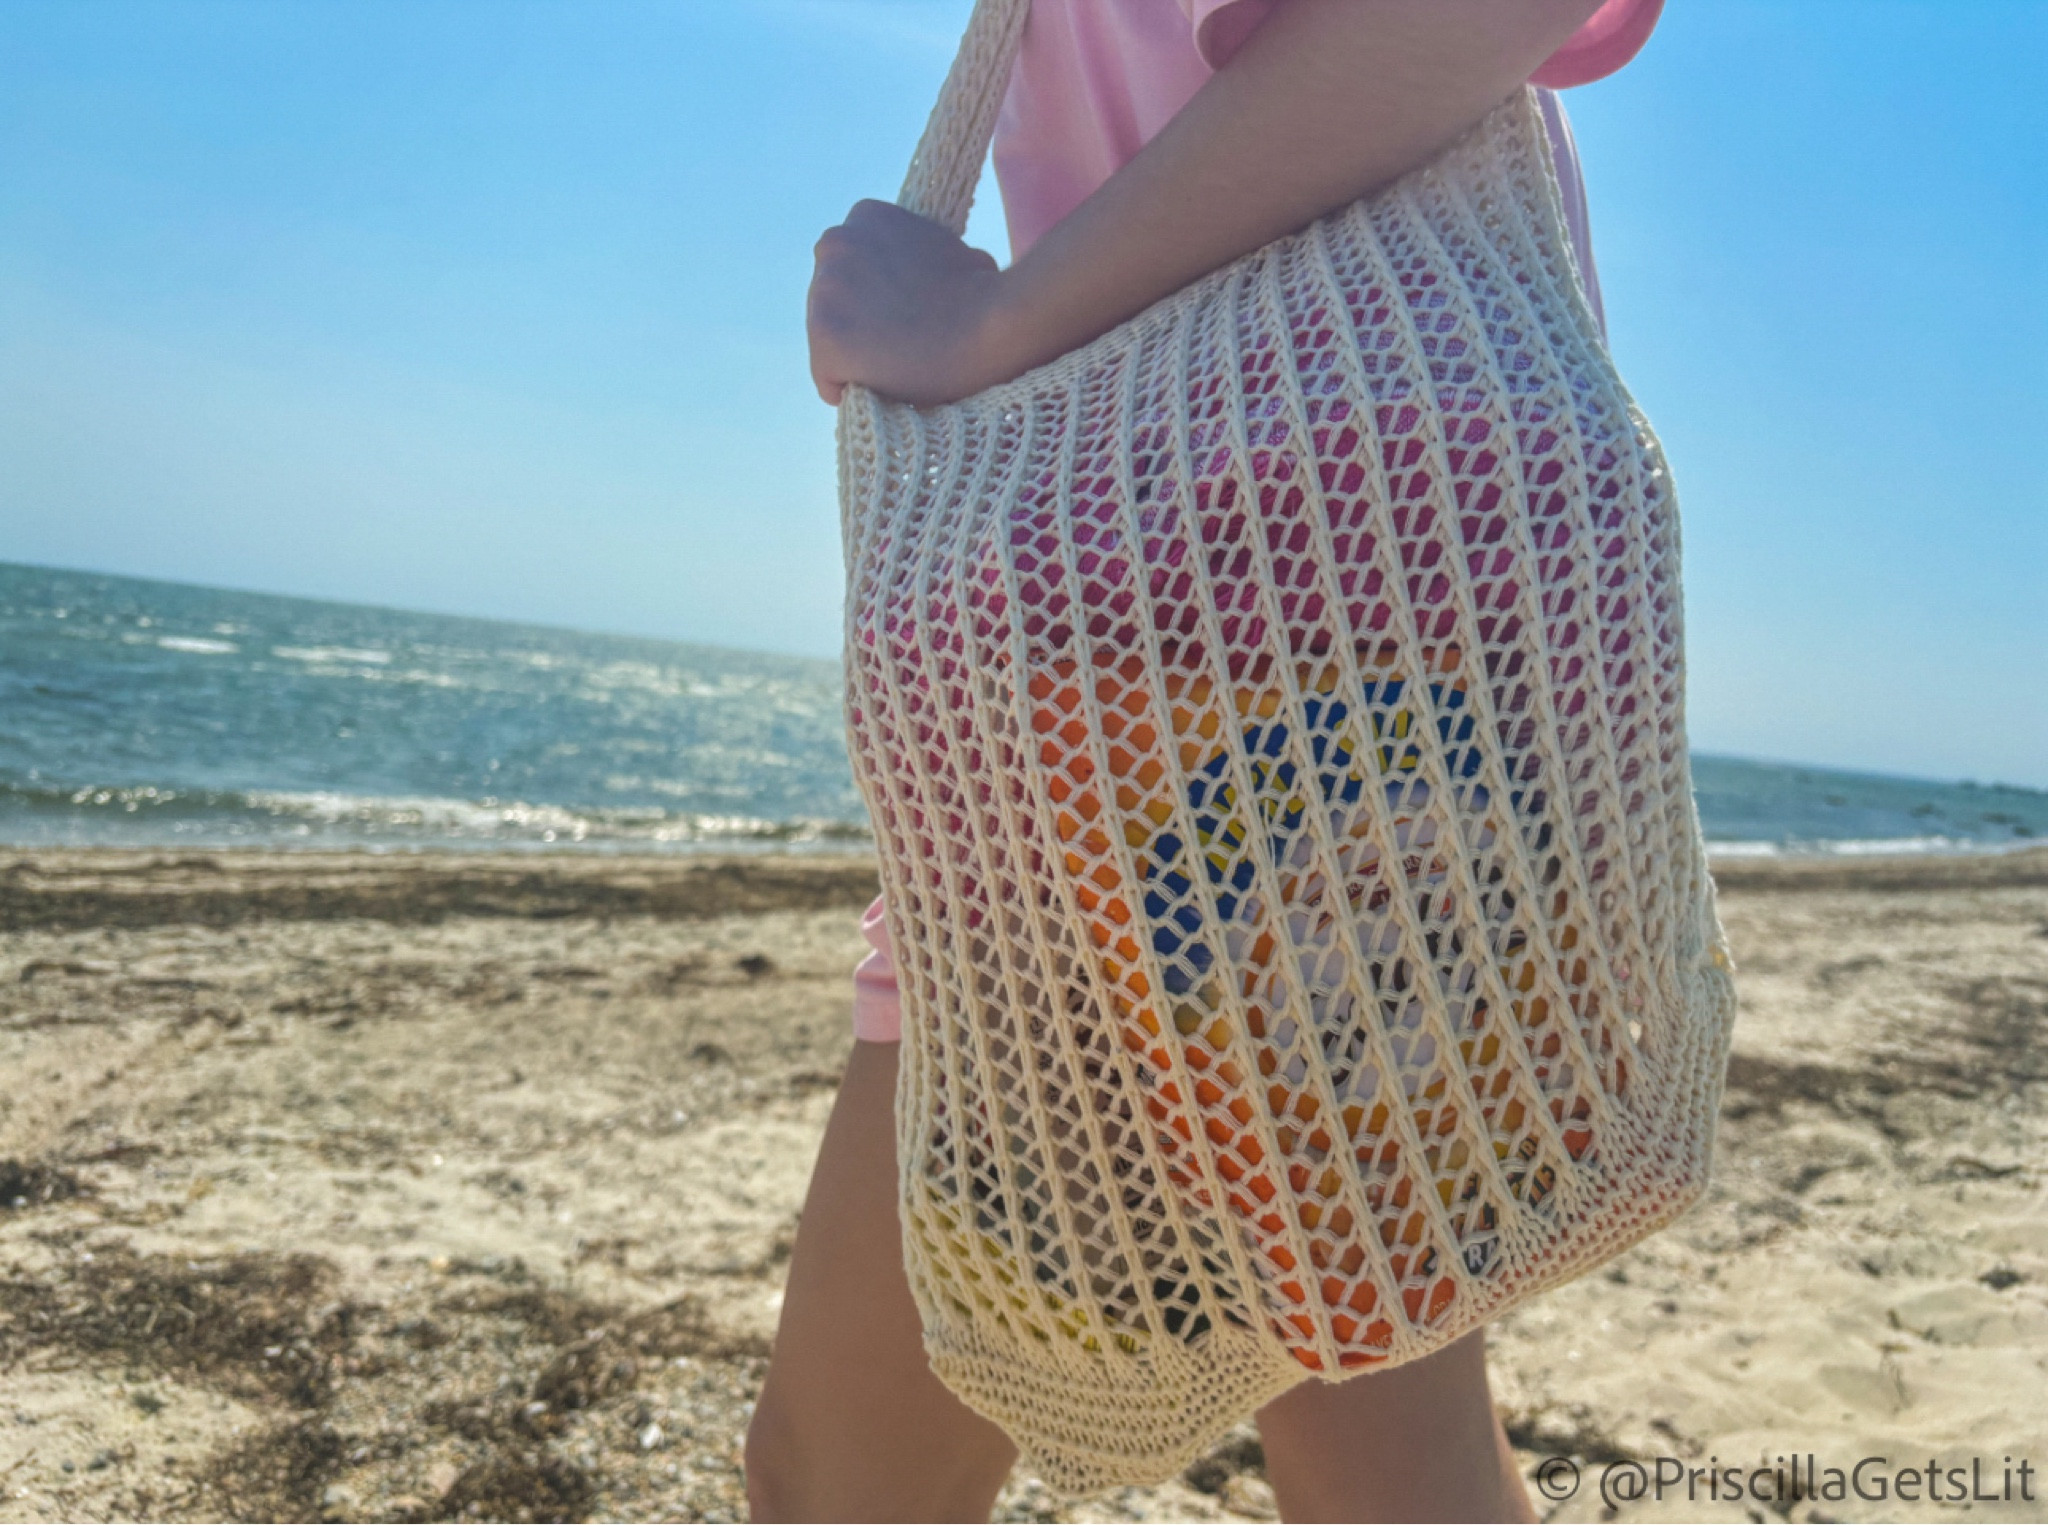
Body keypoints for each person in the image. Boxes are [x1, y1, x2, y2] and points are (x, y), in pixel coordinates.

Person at [750, 2, 1661, 1518]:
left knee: (848, 1477)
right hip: (1196, 620)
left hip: (1278, 605)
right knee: (1359, 1415)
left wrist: (993, 327)